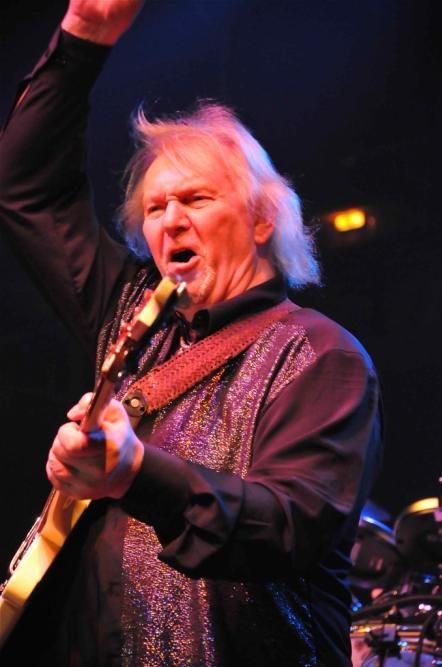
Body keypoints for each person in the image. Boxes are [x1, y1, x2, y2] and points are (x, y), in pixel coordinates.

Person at [0, 1, 382, 665]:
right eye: (155, 207)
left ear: (262, 219)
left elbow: (287, 526)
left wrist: (136, 471)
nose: (170, 219)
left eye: (196, 199)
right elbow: (27, 188)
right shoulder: (130, 312)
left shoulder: (321, 355)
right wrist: (83, 37)